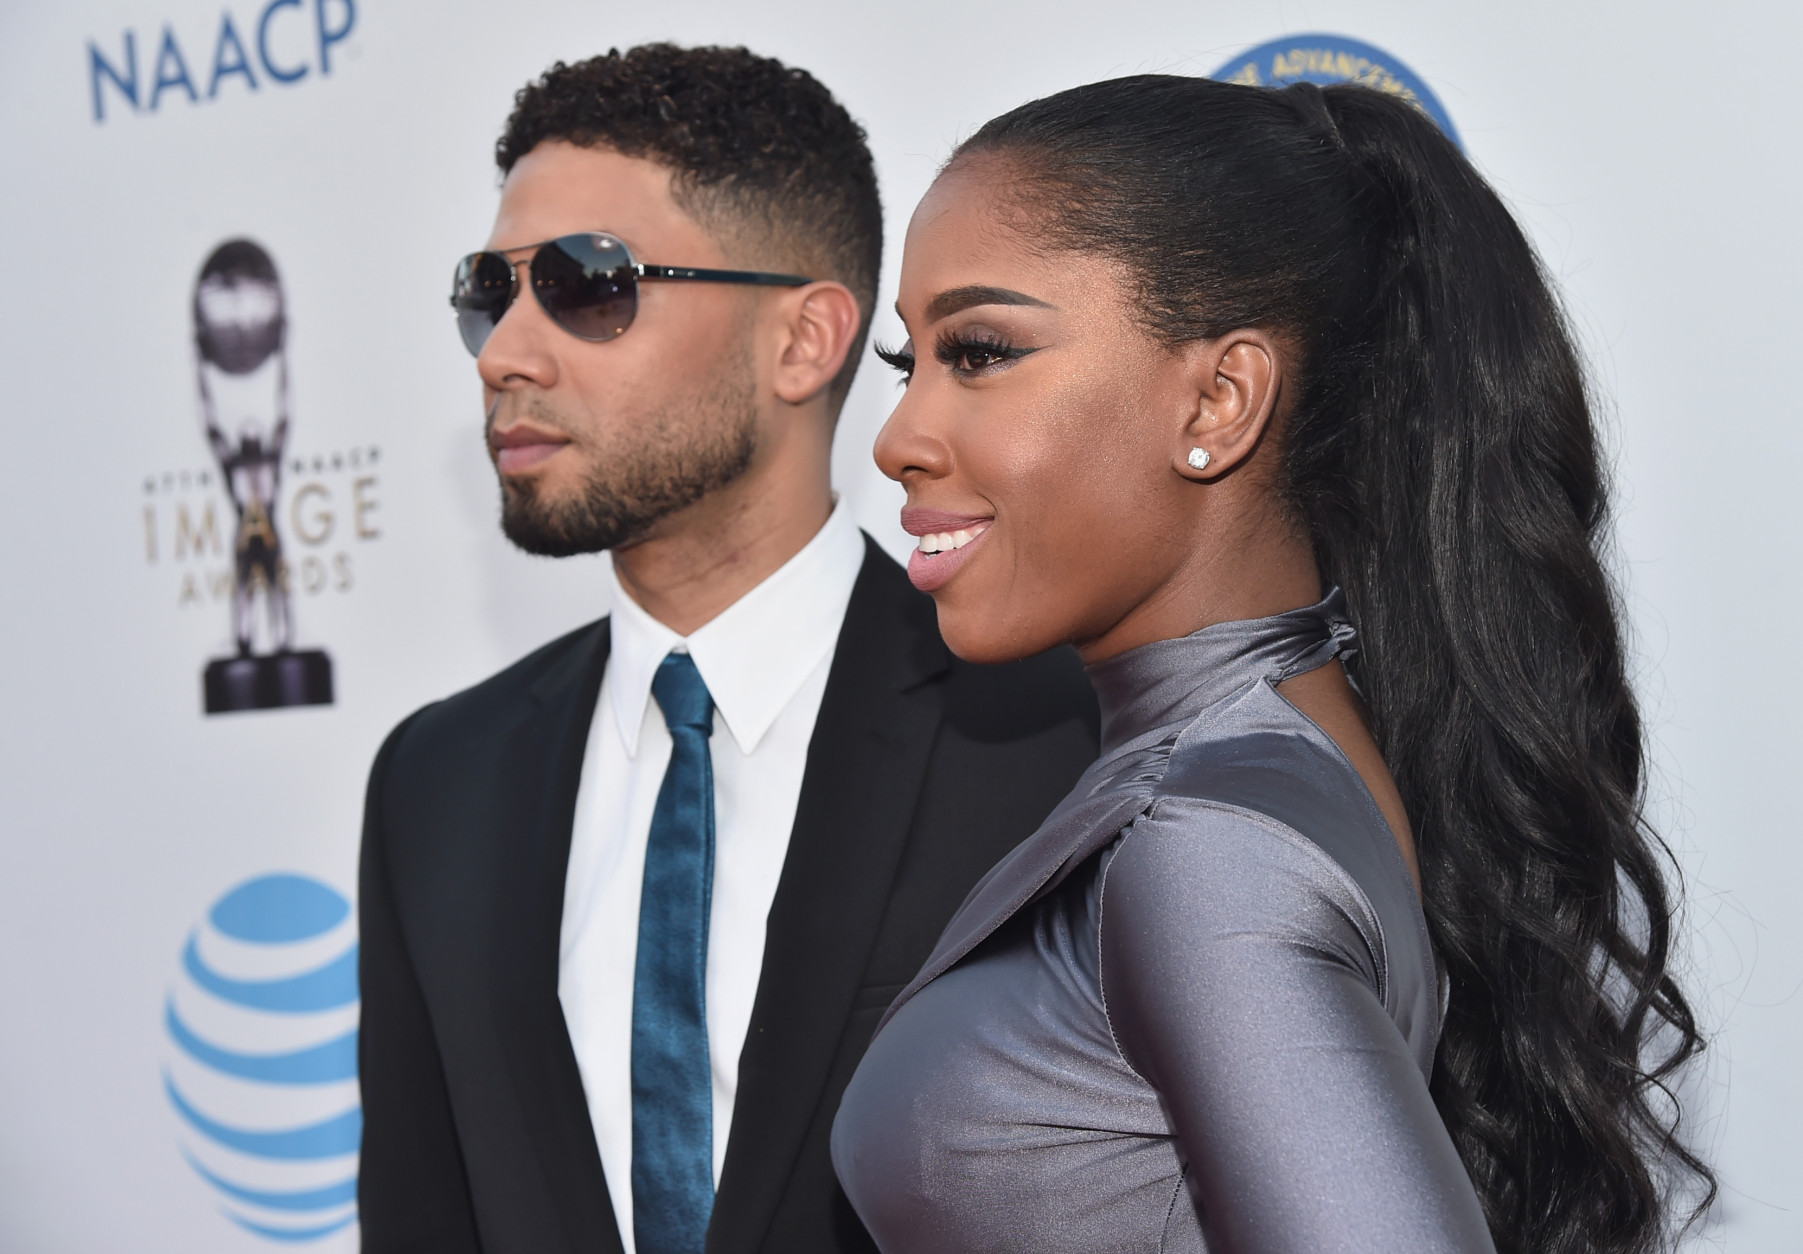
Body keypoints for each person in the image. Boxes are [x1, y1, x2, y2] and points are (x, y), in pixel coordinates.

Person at [830, 75, 1712, 1254]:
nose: (898, 437)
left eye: (980, 353)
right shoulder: (1258, 763)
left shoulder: (1212, 851)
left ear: (1222, 398)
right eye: (911, 363)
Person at [356, 45, 1098, 1254]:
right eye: (490, 292)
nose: (505, 354)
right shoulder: (436, 784)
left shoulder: (1056, 733)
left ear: (805, 342)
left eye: (588, 285)